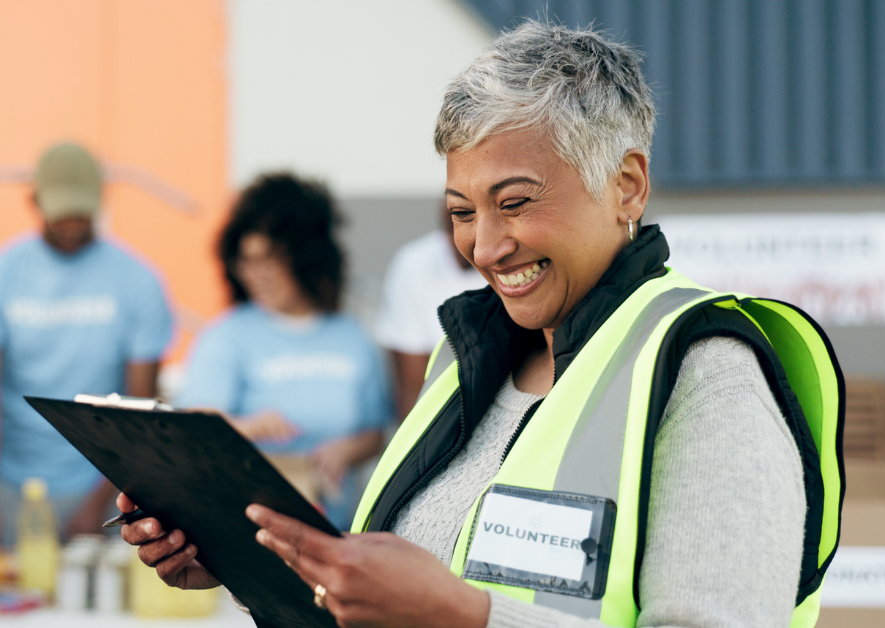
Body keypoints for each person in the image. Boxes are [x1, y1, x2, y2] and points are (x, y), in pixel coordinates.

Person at [117, 21, 844, 628]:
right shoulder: (466, 361)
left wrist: (467, 616)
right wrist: (243, 555)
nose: (485, 248)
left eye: (517, 202)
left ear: (627, 185)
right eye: (463, 212)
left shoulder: (707, 377)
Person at [0, 143, 173, 547]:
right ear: (34, 201)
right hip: (11, 485)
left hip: (106, 488)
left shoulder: (140, 281)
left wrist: (102, 503)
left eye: (81, 212)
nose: (71, 224)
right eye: (61, 213)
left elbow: (141, 408)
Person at [176, 173, 390, 530]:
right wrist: (244, 427)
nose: (255, 274)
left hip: (334, 529)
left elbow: (374, 432)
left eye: (269, 260)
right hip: (248, 530)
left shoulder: (352, 337)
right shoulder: (227, 336)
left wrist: (344, 451)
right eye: (246, 261)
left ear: (305, 257)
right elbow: (190, 430)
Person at [375, 201, 487, 419]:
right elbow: (412, 389)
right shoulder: (413, 264)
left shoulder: (515, 261)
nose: (459, 244)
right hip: (442, 414)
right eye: (451, 230)